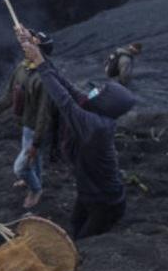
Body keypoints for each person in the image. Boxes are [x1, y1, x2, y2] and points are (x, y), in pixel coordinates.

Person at [17, 25, 134, 240]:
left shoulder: (96, 125)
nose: (93, 91)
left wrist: (40, 62)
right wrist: (36, 51)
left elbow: (64, 100)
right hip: (87, 192)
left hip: (106, 202)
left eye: (100, 91)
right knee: (74, 227)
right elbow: (66, 84)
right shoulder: (94, 109)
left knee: (84, 239)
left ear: (107, 103)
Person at [0, 32, 55, 209]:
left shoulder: (44, 80)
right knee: (35, 159)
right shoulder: (22, 68)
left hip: (37, 128)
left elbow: (44, 114)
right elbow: (11, 95)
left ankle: (36, 189)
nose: (26, 46)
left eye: (33, 44)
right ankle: (34, 179)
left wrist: (36, 143)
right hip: (26, 125)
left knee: (20, 168)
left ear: (41, 52)